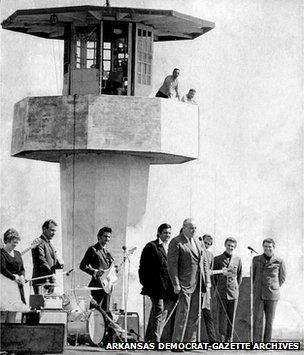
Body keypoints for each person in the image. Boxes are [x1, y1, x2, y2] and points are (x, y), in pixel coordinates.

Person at [168, 218, 210, 344]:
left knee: (195, 314)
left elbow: (204, 262)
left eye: (195, 228)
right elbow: (172, 265)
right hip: (184, 284)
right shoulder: (176, 242)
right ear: (184, 228)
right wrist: (176, 284)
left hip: (198, 284)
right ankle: (177, 342)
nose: (194, 230)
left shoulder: (198, 241)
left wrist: (207, 281)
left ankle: (189, 341)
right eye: (191, 228)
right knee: (183, 313)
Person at [139, 223, 177, 342]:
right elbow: (143, 267)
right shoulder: (151, 246)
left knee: (160, 312)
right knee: (159, 309)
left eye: (169, 233)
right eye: (165, 232)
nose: (168, 235)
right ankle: (156, 341)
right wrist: (145, 284)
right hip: (155, 287)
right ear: (159, 233)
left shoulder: (171, 248)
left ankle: (149, 339)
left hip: (168, 287)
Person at [253, 238, 286, 342]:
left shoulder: (279, 261)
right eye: (265, 246)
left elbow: (282, 278)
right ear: (263, 247)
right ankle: (256, 343)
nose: (267, 248)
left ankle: (267, 343)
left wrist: (273, 287)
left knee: (269, 321)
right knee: (257, 320)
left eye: (270, 247)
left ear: (273, 248)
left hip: (272, 295)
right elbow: (253, 276)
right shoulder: (256, 259)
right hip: (259, 294)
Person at [213, 237, 242, 342]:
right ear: (225, 245)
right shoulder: (217, 259)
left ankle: (229, 339)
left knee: (231, 316)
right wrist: (219, 286)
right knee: (221, 316)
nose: (230, 247)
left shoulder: (238, 259)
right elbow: (214, 277)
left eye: (233, 246)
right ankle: (221, 338)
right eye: (229, 245)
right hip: (221, 291)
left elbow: (239, 276)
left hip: (233, 292)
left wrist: (234, 287)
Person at [80, 226, 114, 312]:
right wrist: (95, 271)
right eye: (105, 236)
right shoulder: (93, 250)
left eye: (109, 237)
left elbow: (109, 268)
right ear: (99, 237)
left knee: (105, 311)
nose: (107, 239)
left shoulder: (107, 252)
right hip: (97, 285)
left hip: (107, 285)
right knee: (96, 311)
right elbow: (83, 265)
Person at [0, 228, 27, 322]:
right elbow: (2, 269)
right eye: (13, 242)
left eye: (16, 242)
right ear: (7, 240)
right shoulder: (1, 254)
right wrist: (14, 277)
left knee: (13, 313)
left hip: (16, 287)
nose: (15, 245)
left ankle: (11, 335)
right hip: (5, 287)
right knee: (3, 313)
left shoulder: (18, 253)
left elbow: (22, 268)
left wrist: (22, 276)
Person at [32, 219, 63, 294]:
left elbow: (53, 262)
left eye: (55, 231)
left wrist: (60, 264)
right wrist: (51, 274)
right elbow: (41, 261)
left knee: (50, 304)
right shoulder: (39, 242)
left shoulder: (49, 244)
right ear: (44, 229)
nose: (54, 233)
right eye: (52, 230)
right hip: (41, 281)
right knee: (42, 305)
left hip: (50, 281)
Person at [200, 234, 217, 343]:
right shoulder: (197, 250)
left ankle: (213, 341)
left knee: (207, 314)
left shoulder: (210, 255)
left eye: (209, 244)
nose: (206, 245)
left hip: (206, 289)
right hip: (196, 287)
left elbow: (209, 271)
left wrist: (221, 271)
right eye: (205, 243)